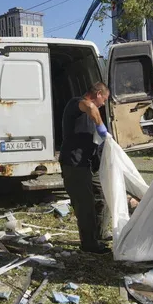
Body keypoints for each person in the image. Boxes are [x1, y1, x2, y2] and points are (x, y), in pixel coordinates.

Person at [59, 82, 112, 254]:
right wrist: (102, 128)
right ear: (97, 94)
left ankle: (100, 234)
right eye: (103, 100)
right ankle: (89, 244)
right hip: (74, 164)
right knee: (85, 204)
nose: (103, 104)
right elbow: (89, 105)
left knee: (103, 195)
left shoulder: (90, 112)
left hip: (87, 163)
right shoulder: (76, 104)